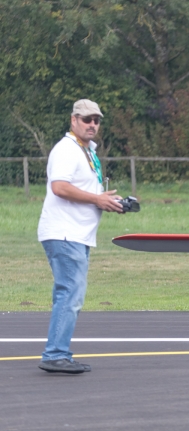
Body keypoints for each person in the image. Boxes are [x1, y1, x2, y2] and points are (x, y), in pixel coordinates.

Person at [37, 99, 125, 374]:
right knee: (70, 294)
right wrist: (96, 199)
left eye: (96, 120)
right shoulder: (66, 150)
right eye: (86, 119)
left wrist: (108, 202)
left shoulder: (87, 151)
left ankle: (57, 352)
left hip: (77, 233)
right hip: (65, 233)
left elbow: (84, 193)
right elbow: (60, 187)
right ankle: (55, 355)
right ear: (73, 120)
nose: (92, 124)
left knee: (68, 294)